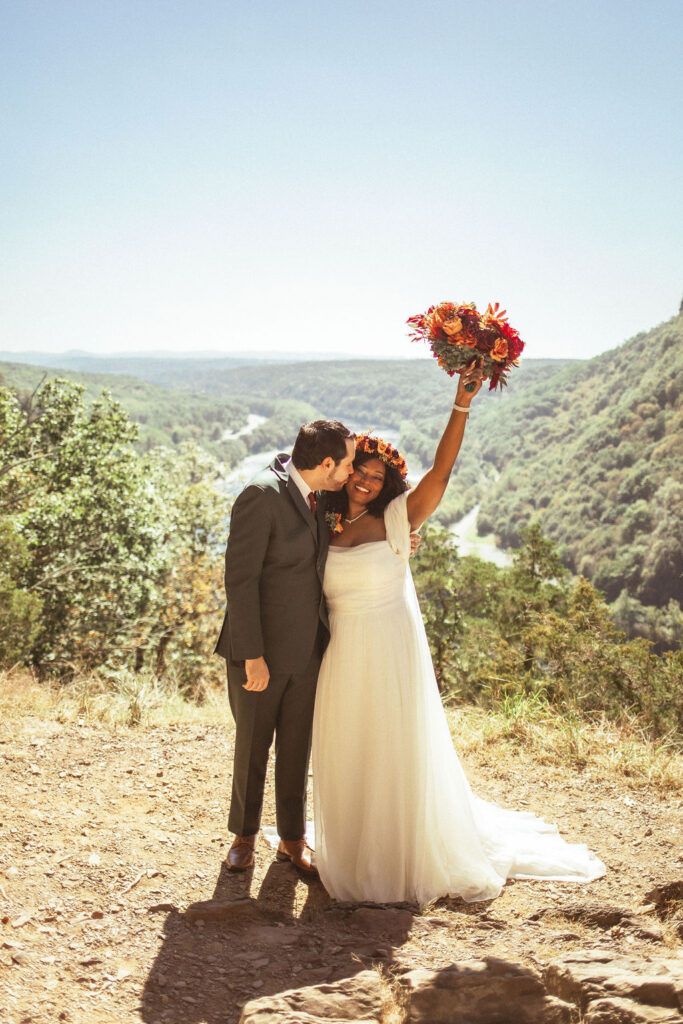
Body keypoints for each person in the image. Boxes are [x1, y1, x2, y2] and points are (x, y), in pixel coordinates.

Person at [312, 361, 606, 905]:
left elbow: (442, 473)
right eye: (359, 471)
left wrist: (461, 403)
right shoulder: (319, 522)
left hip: (390, 648)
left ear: (387, 483)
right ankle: (351, 846)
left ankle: (396, 852)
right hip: (343, 652)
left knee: (392, 747)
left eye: (376, 476)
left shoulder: (398, 520)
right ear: (345, 472)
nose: (366, 481)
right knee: (349, 746)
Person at [215, 419, 355, 873]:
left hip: (308, 650)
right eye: (347, 464)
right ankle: (244, 836)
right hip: (260, 654)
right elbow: (240, 581)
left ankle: (292, 840)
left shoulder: (325, 495)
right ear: (327, 463)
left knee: (297, 749)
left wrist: (405, 535)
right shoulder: (260, 496)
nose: (351, 473)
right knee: (253, 747)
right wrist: (252, 655)